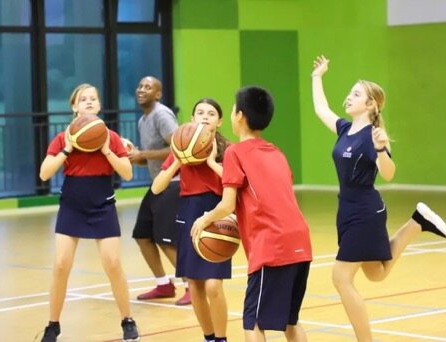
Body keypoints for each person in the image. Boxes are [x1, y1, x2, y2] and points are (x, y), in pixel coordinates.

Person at [311, 55, 446, 341]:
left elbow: (388, 174)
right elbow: (321, 109)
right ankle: (416, 223)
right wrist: (317, 77)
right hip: (347, 210)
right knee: (376, 273)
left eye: (356, 94)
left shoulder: (374, 135)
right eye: (350, 92)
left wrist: (382, 150)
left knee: (341, 278)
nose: (349, 97)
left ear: (371, 104)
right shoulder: (344, 129)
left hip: (365, 212)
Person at [191, 87, 312, 342]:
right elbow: (266, 193)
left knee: (253, 321)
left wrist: (205, 219)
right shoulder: (276, 152)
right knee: (291, 320)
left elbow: (227, 205)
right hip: (301, 242)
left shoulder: (235, 151)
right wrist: (214, 164)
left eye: (234, 109)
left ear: (240, 116)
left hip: (272, 247)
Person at [38, 84, 139, 342]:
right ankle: (53, 324)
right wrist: (67, 149)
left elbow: (127, 173)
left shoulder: (111, 137)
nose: (89, 102)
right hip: (72, 203)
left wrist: (106, 150)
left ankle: (127, 320)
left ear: (99, 105)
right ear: (74, 107)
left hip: (102, 203)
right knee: (61, 265)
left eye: (94, 98)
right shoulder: (63, 138)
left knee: (113, 264)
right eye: (83, 99)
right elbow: (44, 173)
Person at [152, 98, 231, 342]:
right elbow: (157, 187)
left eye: (210, 113)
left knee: (213, 286)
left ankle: (221, 338)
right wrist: (178, 158)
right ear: (192, 120)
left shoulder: (228, 149)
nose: (205, 116)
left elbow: (238, 182)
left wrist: (211, 162)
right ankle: (208, 337)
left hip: (217, 216)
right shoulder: (181, 148)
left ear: (219, 121)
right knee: (195, 285)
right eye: (199, 113)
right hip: (188, 213)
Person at [128, 76, 190, 305]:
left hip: (174, 182)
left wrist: (143, 154)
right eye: (140, 85)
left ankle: (191, 285)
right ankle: (164, 284)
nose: (142, 89)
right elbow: (153, 156)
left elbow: (178, 147)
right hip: (158, 183)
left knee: (166, 239)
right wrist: (137, 158)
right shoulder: (143, 120)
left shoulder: (161, 115)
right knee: (142, 234)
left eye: (148, 87)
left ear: (158, 94)